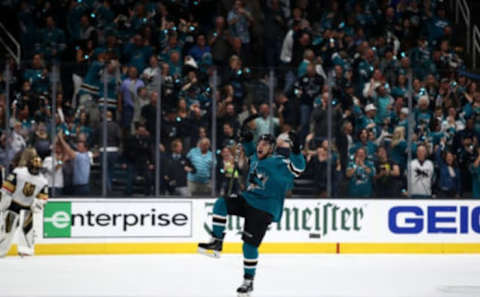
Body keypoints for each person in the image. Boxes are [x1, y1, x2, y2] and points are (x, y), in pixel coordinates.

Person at [197, 131, 305, 297]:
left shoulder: (280, 161)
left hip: (265, 207)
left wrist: (296, 150)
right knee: (221, 203)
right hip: (248, 199)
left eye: (265, 144)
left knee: (249, 245)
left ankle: (248, 281)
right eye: (259, 143)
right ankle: (216, 242)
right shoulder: (255, 157)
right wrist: (247, 141)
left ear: (272, 149)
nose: (260, 146)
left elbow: (298, 169)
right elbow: (248, 154)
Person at [0, 148, 48, 257]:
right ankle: (1, 250)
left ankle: (25, 249)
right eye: (34, 167)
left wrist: (38, 204)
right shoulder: (19, 173)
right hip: (13, 205)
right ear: (29, 165)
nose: (35, 170)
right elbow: (6, 188)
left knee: (27, 230)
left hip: (28, 207)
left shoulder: (42, 181)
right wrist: (4, 202)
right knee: (7, 230)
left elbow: (43, 198)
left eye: (37, 168)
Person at [57, 132, 91, 196]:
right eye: (77, 146)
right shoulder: (82, 155)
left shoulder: (81, 156)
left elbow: (68, 150)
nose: (77, 147)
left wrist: (61, 138)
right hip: (74, 185)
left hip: (81, 187)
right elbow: (62, 160)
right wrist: (60, 161)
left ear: (85, 148)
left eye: (79, 146)